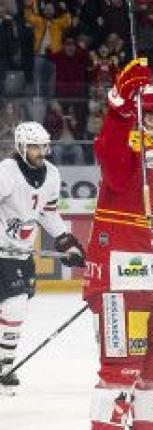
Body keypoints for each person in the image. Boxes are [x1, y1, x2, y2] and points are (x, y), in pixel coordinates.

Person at [83, 58, 153, 430]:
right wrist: (119, 108)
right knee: (121, 371)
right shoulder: (130, 147)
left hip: (152, 282)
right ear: (150, 120)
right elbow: (111, 163)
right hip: (116, 282)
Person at [0, 121, 85, 394]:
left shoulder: (52, 174)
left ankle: (4, 364)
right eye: (35, 146)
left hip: (23, 254)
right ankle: (5, 366)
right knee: (14, 306)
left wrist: (65, 242)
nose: (42, 151)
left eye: (44, 145)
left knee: (16, 308)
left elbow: (48, 213)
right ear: (22, 147)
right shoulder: (6, 171)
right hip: (1, 252)